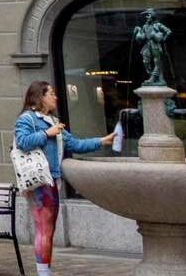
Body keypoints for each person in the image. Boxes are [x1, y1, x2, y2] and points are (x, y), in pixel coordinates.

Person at [15, 81, 114, 276]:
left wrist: (101, 141)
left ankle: (46, 271)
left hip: (52, 181)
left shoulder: (53, 121)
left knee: (49, 230)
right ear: (40, 97)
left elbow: (74, 144)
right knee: (44, 229)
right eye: (51, 93)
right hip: (39, 182)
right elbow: (22, 142)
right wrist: (46, 134)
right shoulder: (27, 119)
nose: (55, 97)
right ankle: (43, 273)